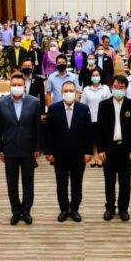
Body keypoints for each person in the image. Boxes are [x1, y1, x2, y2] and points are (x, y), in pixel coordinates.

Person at [0, 73, 42, 225]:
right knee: (12, 183)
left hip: (29, 149)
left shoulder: (34, 102)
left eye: (19, 85)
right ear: (10, 86)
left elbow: (38, 127)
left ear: (24, 86)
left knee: (28, 183)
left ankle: (26, 211)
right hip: (9, 149)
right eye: (14, 85)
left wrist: (38, 147)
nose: (17, 87)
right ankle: (15, 211)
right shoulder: (2, 103)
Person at [44, 81, 92, 222]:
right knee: (61, 183)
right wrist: (48, 152)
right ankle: (64, 209)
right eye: (66, 91)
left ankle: (75, 209)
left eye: (71, 90)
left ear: (76, 93)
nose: (69, 93)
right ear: (61, 92)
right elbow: (48, 132)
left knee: (77, 183)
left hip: (79, 154)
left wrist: (88, 151)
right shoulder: (53, 109)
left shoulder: (84, 109)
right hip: (59, 154)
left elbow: (88, 132)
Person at [96, 75, 131, 221]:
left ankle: (123, 208)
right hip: (109, 149)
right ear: (111, 87)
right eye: (116, 87)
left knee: (125, 182)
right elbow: (99, 129)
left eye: (121, 87)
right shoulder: (104, 105)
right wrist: (100, 149)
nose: (118, 89)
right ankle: (110, 207)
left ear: (126, 88)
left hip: (126, 150)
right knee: (109, 181)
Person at [81, 68, 111, 167]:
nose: (95, 77)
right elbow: (83, 105)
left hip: (103, 119)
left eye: (97, 75)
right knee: (92, 139)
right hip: (90, 118)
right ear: (90, 77)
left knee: (101, 138)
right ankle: (94, 157)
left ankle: (100, 157)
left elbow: (109, 103)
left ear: (100, 76)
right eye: (93, 75)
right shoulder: (86, 89)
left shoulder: (106, 88)